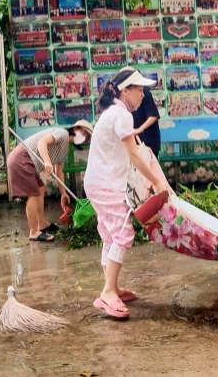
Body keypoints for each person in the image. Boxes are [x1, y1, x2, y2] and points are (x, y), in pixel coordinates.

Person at [84, 68, 169, 319]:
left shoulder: (113, 113)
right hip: (106, 183)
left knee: (110, 234)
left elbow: (135, 150)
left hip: (98, 183)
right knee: (123, 233)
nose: (143, 95)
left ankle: (112, 287)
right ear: (125, 91)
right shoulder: (121, 116)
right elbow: (133, 154)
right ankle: (108, 292)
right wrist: (156, 182)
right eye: (139, 90)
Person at [7, 120, 94, 242]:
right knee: (33, 194)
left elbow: (59, 172)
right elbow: (41, 142)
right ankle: (33, 232)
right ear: (75, 129)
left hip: (29, 161)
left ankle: (41, 224)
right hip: (22, 158)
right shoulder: (61, 133)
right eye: (84, 132)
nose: (85, 137)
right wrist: (47, 161)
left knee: (40, 188)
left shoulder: (65, 149)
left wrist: (63, 193)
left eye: (87, 136)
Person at [120, 66, 161, 157]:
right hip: (136, 141)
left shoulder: (144, 92)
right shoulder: (118, 112)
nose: (141, 95)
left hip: (148, 140)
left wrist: (139, 129)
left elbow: (153, 115)